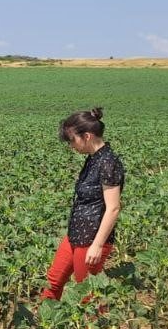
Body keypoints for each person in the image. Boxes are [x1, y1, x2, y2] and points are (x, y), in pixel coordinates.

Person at [40, 107, 124, 302]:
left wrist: (97, 245)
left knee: (87, 294)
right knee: (53, 281)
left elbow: (113, 208)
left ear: (87, 136)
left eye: (72, 140)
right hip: (76, 234)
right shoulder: (93, 159)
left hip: (92, 238)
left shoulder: (108, 162)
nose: (71, 145)